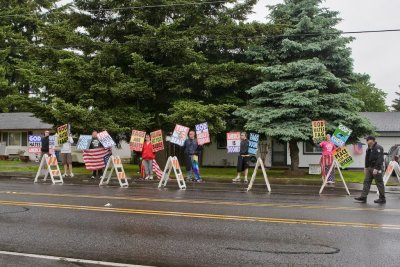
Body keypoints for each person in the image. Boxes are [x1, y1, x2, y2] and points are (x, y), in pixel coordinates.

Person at [355, 136, 386, 204]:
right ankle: (363, 197)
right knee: (366, 182)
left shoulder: (378, 147)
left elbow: (380, 158)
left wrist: (377, 168)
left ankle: (382, 198)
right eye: (367, 140)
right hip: (369, 168)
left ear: (372, 140)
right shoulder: (368, 148)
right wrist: (366, 167)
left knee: (379, 183)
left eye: (368, 140)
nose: (367, 141)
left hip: (376, 168)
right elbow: (367, 158)